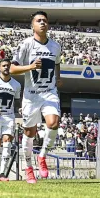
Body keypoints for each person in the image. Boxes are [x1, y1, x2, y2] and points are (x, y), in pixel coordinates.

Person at [10, 11, 62, 184]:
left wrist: (58, 78)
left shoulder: (55, 46)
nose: (42, 23)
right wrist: (31, 66)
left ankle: (42, 156)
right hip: (31, 96)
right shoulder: (25, 45)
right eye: (38, 21)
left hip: (49, 92)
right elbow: (12, 69)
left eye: (45, 21)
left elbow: (57, 63)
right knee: (29, 132)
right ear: (32, 25)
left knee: (53, 123)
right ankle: (29, 168)